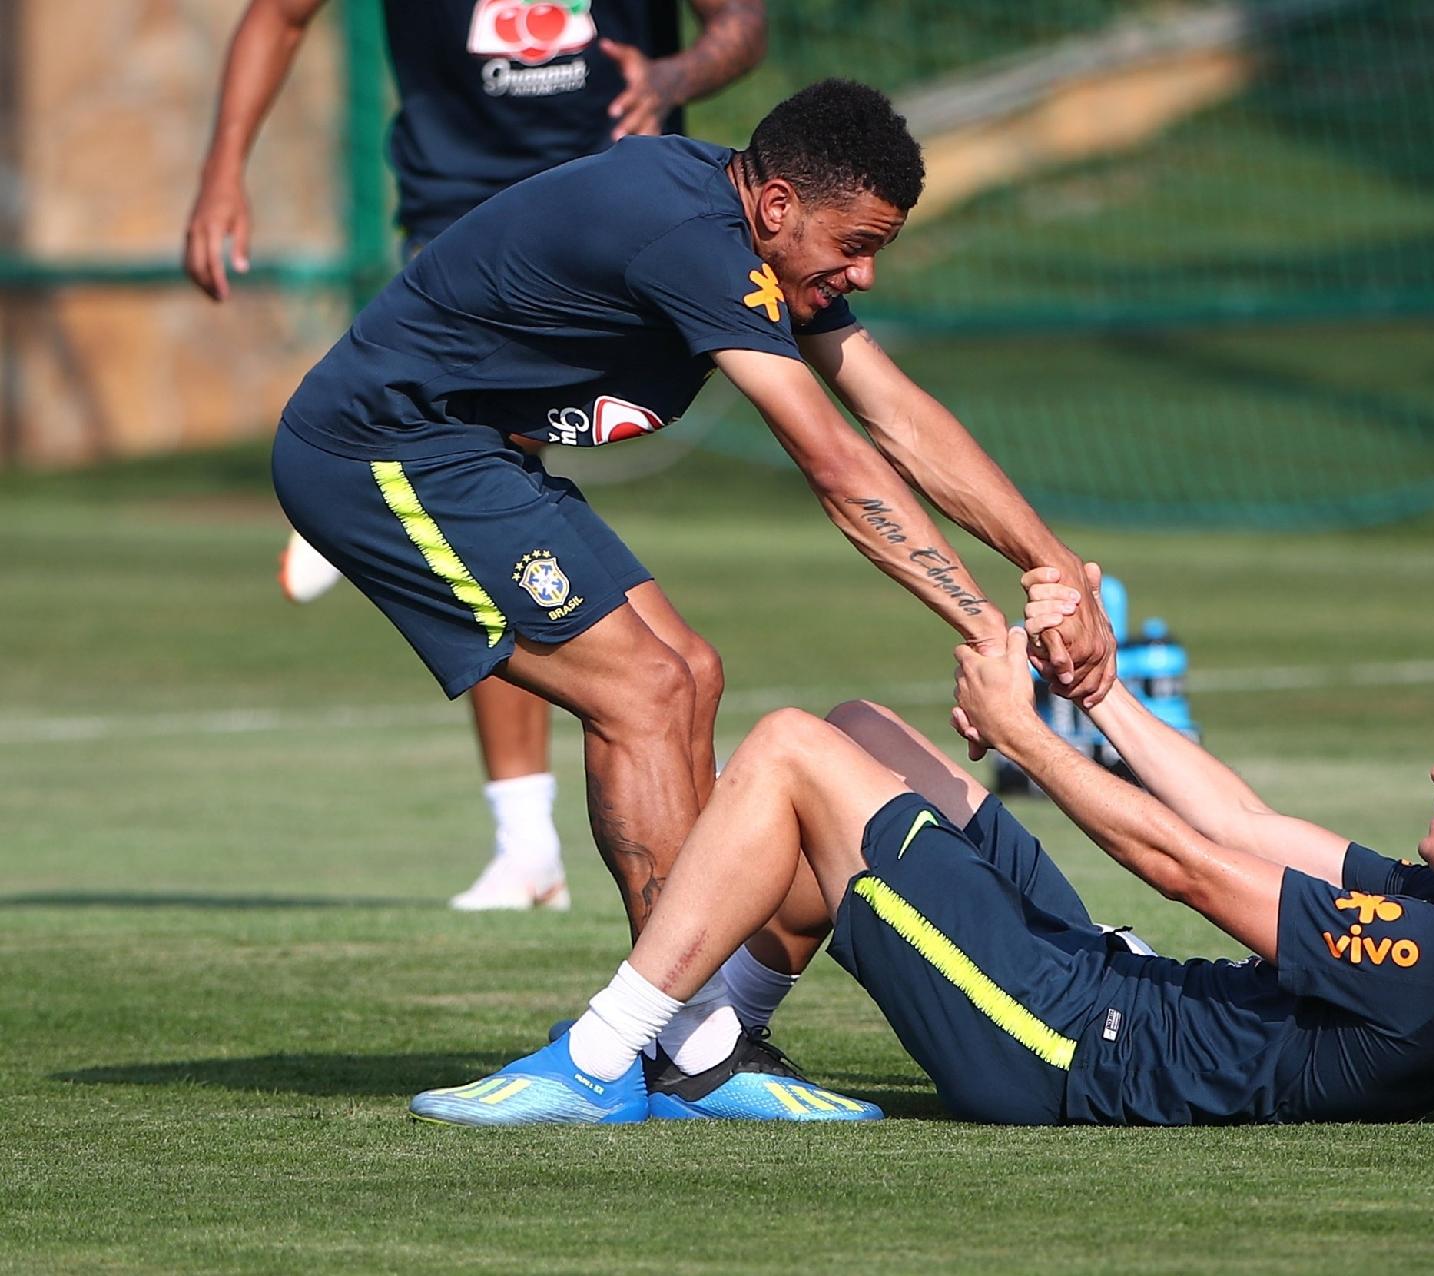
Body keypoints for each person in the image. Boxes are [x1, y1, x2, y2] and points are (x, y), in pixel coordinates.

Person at [276, 81, 1117, 1118]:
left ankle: (695, 1029)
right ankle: (691, 1049)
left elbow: (893, 409)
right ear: (775, 208)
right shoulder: (694, 241)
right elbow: (837, 465)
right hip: (381, 451)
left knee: (689, 675)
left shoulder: (753, 234)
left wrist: (1054, 567)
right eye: (853, 245)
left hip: (476, 455)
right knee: (638, 693)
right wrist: (986, 626)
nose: (860, 274)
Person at [409, 565, 1434, 1126]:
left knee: (789, 747)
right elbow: (1245, 821)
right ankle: (709, 1054)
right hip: (1100, 984)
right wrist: (1093, 698)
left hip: (1058, 1046)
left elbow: (1190, 866)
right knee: (861, 732)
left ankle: (605, 1053)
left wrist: (1025, 741)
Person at [184, 0, 768, 911]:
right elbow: (279, 17)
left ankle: (371, 485)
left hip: (617, 203)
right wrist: (224, 170)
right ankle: (527, 846)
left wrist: (672, 77)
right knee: (492, 494)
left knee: (538, 538)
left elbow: (741, 23)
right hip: (462, 210)